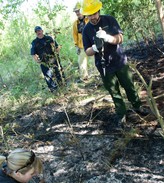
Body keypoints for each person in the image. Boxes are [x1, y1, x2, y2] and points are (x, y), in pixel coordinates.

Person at [81, 0, 149, 128]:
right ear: (86, 15)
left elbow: (121, 38)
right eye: (89, 15)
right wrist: (95, 48)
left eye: (94, 14)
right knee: (114, 92)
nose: (92, 17)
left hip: (119, 60)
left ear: (98, 11)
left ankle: (138, 106)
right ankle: (121, 114)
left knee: (129, 86)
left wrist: (108, 38)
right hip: (104, 66)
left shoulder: (109, 20)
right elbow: (87, 51)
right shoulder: (86, 30)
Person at [30, 26, 65, 92]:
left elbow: (56, 47)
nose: (38, 32)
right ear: (35, 33)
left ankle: (62, 86)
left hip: (53, 59)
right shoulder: (34, 42)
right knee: (48, 77)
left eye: (39, 31)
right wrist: (37, 60)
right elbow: (33, 53)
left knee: (57, 73)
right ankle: (53, 90)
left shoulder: (49, 38)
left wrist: (56, 55)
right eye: (37, 31)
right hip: (43, 62)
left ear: (42, 31)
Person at [72, 2, 89, 81]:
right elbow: (74, 34)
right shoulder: (75, 23)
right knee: (81, 62)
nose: (77, 13)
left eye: (78, 11)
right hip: (81, 45)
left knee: (97, 59)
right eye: (76, 11)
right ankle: (84, 77)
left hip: (91, 44)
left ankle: (99, 75)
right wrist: (76, 46)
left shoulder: (88, 19)